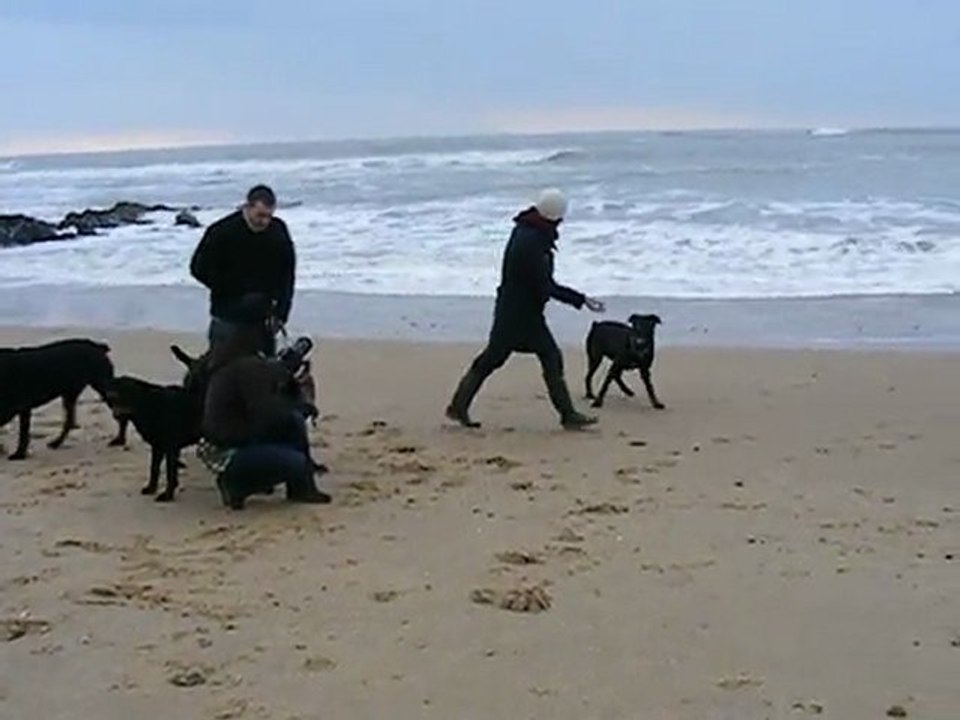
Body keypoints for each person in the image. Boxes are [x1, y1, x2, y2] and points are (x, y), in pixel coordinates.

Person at [446, 189, 605, 430]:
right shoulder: (532, 242)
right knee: (513, 358)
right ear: (555, 217)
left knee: (503, 359)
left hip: (517, 311)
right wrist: (581, 299)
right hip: (519, 316)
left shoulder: (528, 230)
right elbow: (546, 285)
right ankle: (568, 415)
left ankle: (458, 407)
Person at [200, 326, 330, 510]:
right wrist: (299, 397)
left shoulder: (228, 366)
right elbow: (268, 415)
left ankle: (301, 487)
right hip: (231, 451)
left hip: (229, 442)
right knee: (295, 460)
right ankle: (236, 485)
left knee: (293, 423)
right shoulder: (247, 370)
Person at [189, 184, 295, 356]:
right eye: (260, 215)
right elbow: (198, 268)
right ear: (247, 207)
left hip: (263, 318)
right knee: (221, 373)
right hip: (227, 316)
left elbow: (287, 275)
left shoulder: (278, 231)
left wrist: (282, 313)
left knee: (264, 376)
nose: (265, 221)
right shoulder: (221, 231)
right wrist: (233, 289)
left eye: (269, 216)